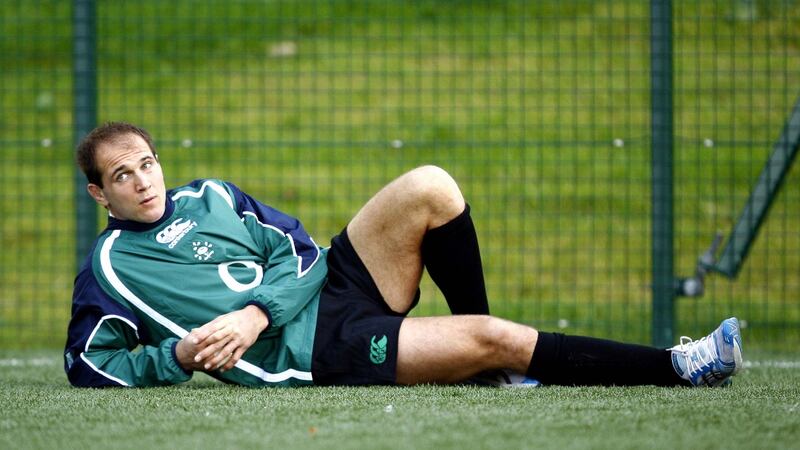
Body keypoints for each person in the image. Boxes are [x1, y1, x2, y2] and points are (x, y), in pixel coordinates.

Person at [64, 122, 743, 389]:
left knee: (430, 185)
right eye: (123, 175)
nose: (143, 180)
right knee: (495, 337)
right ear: (100, 192)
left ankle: (488, 373)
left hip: (328, 285)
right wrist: (176, 358)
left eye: (147, 163)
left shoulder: (210, 195)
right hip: (320, 348)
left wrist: (253, 315)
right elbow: (89, 365)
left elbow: (295, 250)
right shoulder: (110, 270)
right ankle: (679, 365)